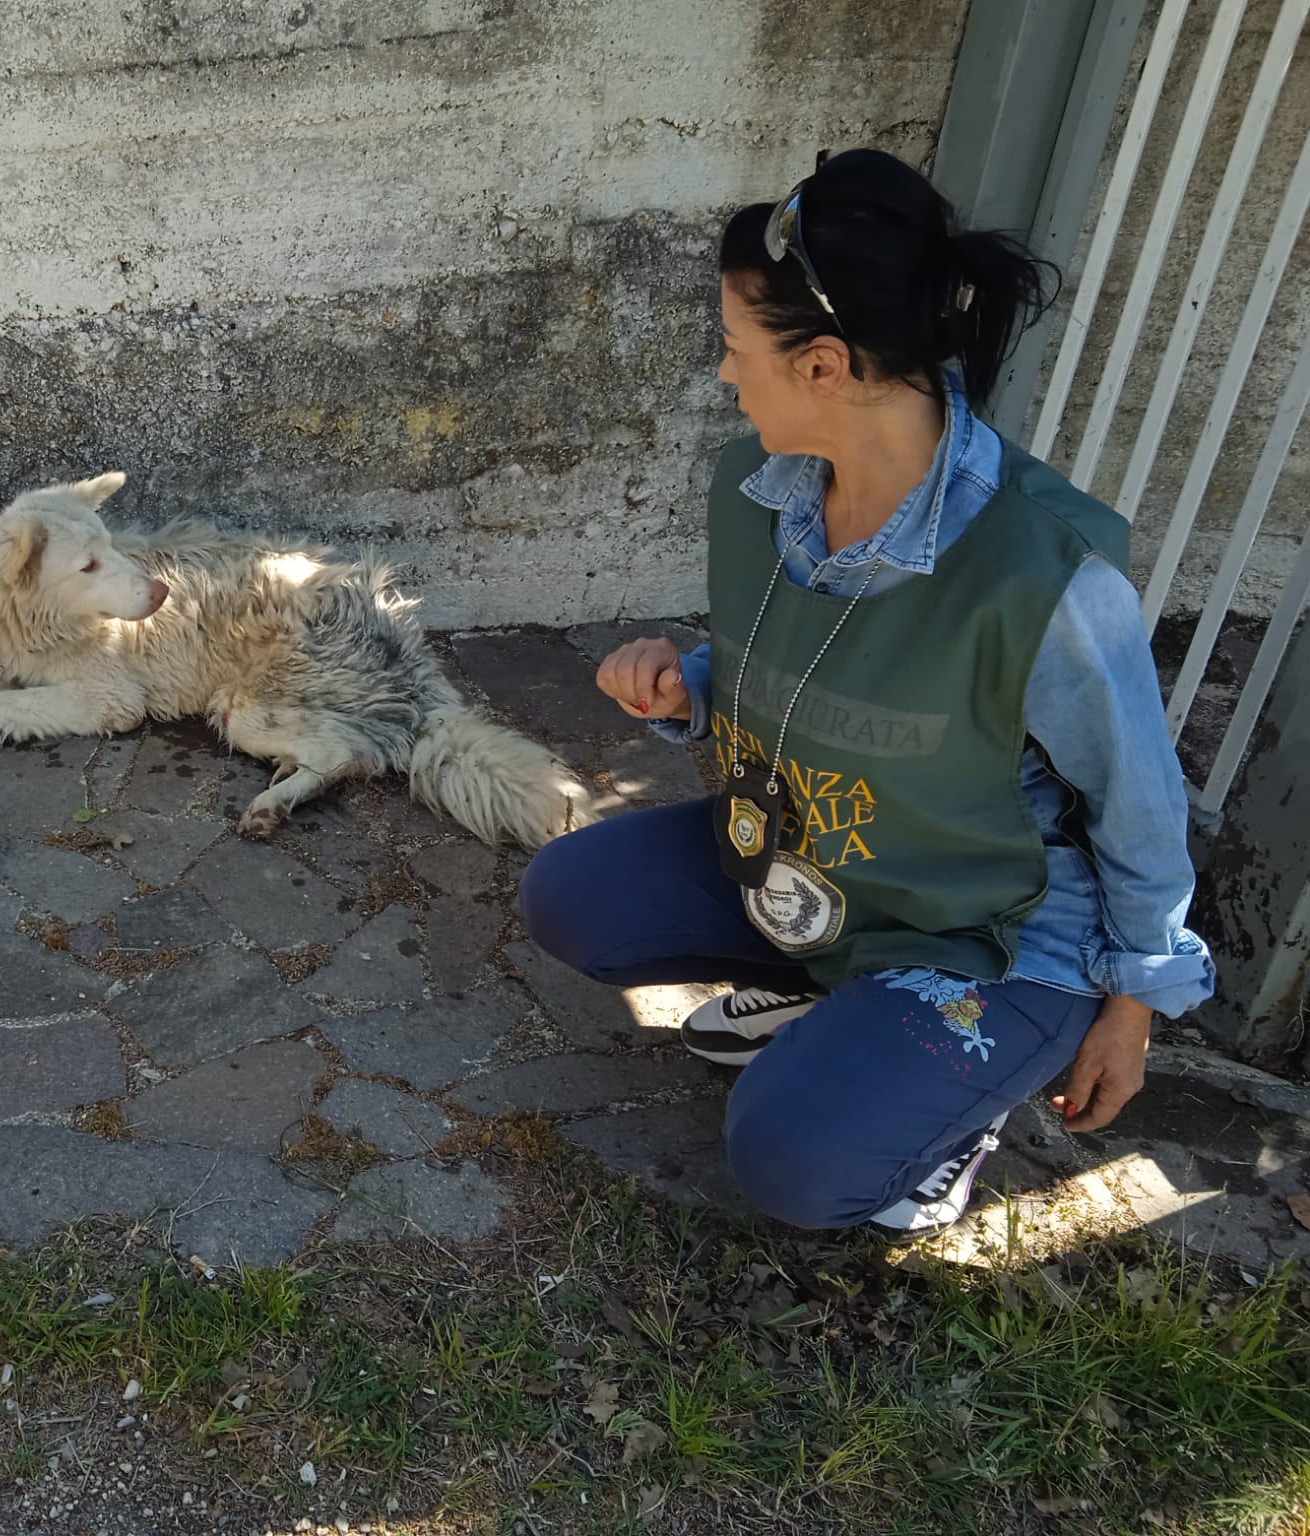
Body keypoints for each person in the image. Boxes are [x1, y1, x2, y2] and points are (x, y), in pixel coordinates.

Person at [518, 149, 1214, 1236]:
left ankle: (938, 1118)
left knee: (795, 1161)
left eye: (735, 347)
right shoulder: (756, 491)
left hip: (990, 929)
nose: (721, 374)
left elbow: (1138, 805)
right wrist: (688, 685)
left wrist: (1132, 1007)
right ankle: (842, 1008)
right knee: (570, 895)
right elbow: (825, 672)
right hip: (831, 862)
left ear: (824, 365)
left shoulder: (1044, 577)